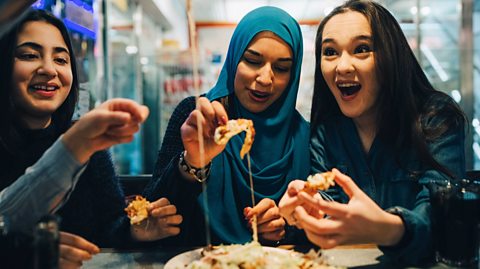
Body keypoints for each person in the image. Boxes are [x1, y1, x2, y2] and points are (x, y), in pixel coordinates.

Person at [278, 0, 466, 265]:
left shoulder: (436, 118)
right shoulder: (326, 129)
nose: (342, 66)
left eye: (362, 49)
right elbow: (329, 198)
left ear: (391, 56)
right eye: (330, 52)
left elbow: (442, 217)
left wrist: (388, 228)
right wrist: (311, 206)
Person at [0, 9, 182, 268]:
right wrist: (22, 255)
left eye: (61, 60)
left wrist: (134, 230)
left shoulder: (91, 146)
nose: (49, 70)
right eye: (29, 55)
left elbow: (109, 226)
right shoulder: (82, 141)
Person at [144, 6, 310, 246]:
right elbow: (153, 217)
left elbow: (322, 222)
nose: (265, 78)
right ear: (233, 60)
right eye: (253, 61)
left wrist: (285, 226)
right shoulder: (198, 117)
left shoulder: (304, 136)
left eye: (282, 68)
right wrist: (193, 163)